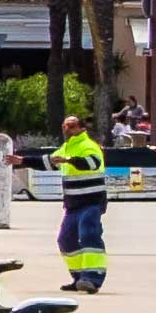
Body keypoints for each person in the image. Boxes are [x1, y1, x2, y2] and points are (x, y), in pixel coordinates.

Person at [49, 111, 112, 293]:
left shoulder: (88, 146)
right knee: (65, 239)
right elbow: (50, 161)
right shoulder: (67, 147)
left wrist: (69, 160)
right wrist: (22, 160)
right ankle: (79, 277)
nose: (66, 129)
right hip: (73, 205)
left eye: (71, 125)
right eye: (64, 125)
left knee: (88, 234)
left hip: (91, 202)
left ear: (82, 128)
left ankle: (93, 278)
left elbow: (91, 163)